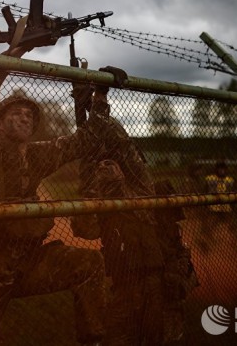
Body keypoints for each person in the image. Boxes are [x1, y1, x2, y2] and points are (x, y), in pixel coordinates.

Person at [0, 44, 108, 346]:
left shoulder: (36, 155)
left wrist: (99, 97)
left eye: (29, 116)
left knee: (89, 264)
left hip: (29, 263)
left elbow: (84, 142)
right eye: (16, 113)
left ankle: (94, 341)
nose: (25, 119)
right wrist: (14, 52)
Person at [70, 85, 196, 345]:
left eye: (112, 161)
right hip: (125, 288)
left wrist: (98, 101)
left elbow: (120, 141)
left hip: (162, 284)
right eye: (101, 164)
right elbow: (85, 228)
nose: (106, 165)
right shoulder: (101, 203)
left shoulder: (142, 189)